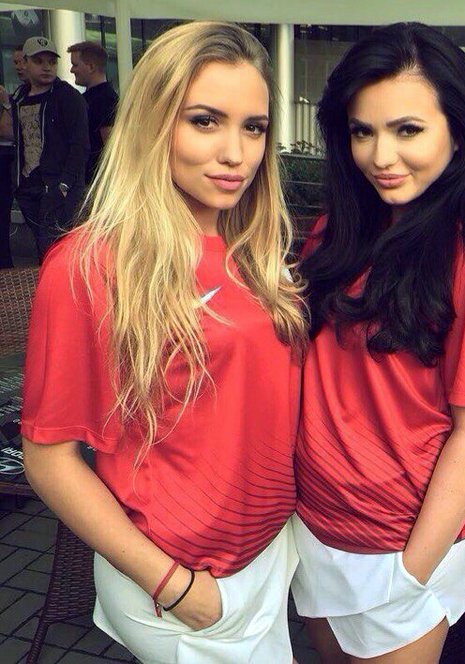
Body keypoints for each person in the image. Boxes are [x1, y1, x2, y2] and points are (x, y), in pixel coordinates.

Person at [21, 22, 307, 663]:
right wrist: (173, 585)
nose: (236, 153)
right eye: (204, 121)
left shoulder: (257, 249)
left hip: (267, 556)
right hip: (178, 578)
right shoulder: (90, 264)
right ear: (153, 123)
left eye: (254, 127)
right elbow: (48, 458)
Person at [292, 22, 465, 663]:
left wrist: (412, 570)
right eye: (362, 131)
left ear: (458, 131)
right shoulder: (334, 232)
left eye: (408, 130)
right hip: (315, 526)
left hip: (399, 540)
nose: (381, 156)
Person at [10, 36, 88, 261]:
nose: (47, 67)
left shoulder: (68, 97)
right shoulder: (19, 97)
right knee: (42, 251)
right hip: (28, 187)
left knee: (57, 251)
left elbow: (80, 145)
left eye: (52, 62)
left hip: (57, 188)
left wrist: (64, 185)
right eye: (39, 61)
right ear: (25, 62)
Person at [68, 41, 118, 183]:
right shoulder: (90, 98)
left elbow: (111, 146)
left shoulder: (105, 100)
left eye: (75, 65)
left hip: (96, 182)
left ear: (90, 67)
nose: (71, 70)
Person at [0, 44, 28, 268]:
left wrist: (6, 105)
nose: (19, 67)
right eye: (16, 63)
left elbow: (8, 130)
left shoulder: (20, 96)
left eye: (22, 62)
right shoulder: (20, 93)